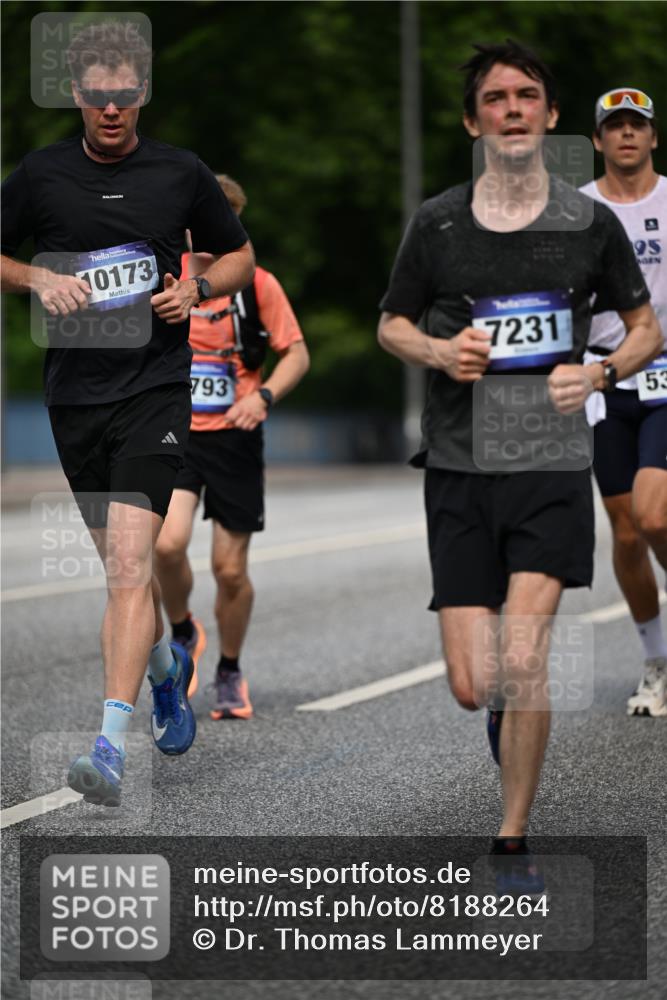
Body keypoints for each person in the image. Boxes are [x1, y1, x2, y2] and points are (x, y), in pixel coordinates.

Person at [377, 41, 662, 871]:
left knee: (527, 655)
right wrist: (438, 353)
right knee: (476, 683)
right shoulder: (436, 222)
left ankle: (511, 834)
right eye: (495, 98)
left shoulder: (587, 222)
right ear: (473, 121)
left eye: (526, 96)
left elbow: (643, 325)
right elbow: (390, 323)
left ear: (549, 115)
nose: (511, 108)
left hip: (549, 461)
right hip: (460, 465)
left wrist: (601, 368)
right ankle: (499, 710)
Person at [0, 21, 255, 805]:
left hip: (155, 391)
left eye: (125, 94)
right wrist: (38, 281)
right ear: (77, 94)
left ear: (140, 92)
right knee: (122, 577)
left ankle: (108, 744)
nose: (112, 108)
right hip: (75, 398)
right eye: (97, 95)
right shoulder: (39, 176)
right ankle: (166, 670)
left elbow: (239, 253)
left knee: (128, 571)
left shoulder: (179, 174)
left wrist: (199, 288)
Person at [154, 174, 309, 720]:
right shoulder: (168, 277)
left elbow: (297, 354)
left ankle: (230, 669)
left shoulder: (258, 284)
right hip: (177, 431)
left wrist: (263, 396)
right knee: (166, 546)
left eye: (227, 226)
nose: (214, 238)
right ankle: (183, 631)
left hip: (236, 436)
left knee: (230, 571)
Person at [580, 88, 667, 717]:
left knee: (656, 514)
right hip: (601, 380)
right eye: (616, 127)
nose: (627, 135)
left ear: (654, 138)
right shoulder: (576, 209)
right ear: (598, 141)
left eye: (638, 125)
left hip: (665, 371)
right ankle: (656, 661)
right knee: (627, 530)